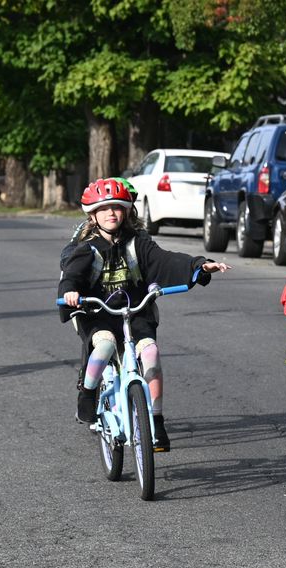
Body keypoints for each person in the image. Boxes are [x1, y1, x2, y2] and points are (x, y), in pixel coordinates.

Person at [58, 178, 231, 452]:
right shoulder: (86, 247)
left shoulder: (137, 242)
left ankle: (156, 420)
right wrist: (70, 291)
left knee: (150, 354)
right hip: (97, 312)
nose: (111, 213)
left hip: (134, 310)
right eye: (104, 209)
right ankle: (87, 395)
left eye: (117, 208)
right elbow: (72, 274)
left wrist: (198, 265)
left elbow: (165, 260)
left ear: (126, 211)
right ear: (92, 216)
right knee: (104, 346)